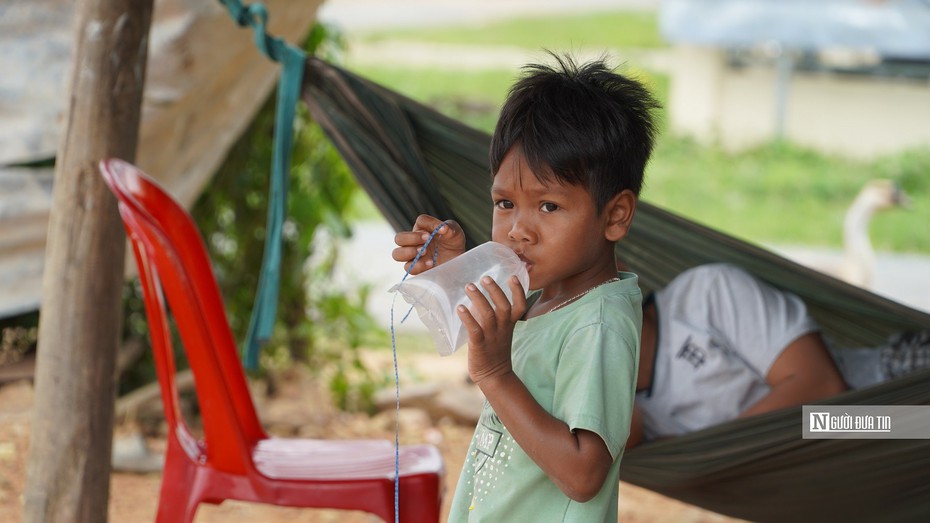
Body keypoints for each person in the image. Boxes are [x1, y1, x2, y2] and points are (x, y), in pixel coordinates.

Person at [393, 53, 660, 521]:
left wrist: (495, 375)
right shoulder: (545, 293)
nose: (519, 230)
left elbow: (583, 475)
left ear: (615, 215)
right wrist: (456, 272)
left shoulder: (598, 323)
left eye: (550, 206)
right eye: (505, 202)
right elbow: (483, 330)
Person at [627, 263, 850, 446]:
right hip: (815, 473)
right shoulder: (630, 417)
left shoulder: (706, 293)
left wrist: (707, 450)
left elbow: (822, 384)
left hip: (872, 418)